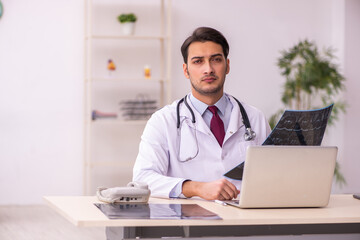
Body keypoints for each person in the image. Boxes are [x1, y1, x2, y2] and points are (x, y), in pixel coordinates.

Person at [133, 27, 271, 201]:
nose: (208, 69)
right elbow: (143, 179)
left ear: (227, 66)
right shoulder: (163, 121)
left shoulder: (254, 118)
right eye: (198, 61)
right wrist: (196, 188)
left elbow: (271, 175)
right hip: (189, 223)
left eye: (216, 60)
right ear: (186, 70)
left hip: (244, 222)